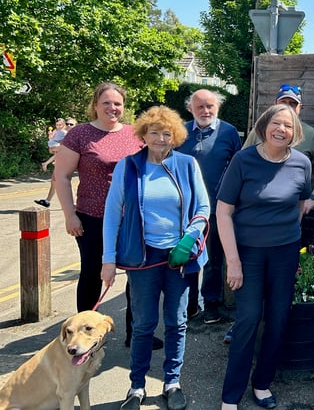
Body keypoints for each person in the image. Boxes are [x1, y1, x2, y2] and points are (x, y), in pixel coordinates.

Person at [101, 105, 210, 410]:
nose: (160, 139)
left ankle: (172, 382)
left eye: (166, 133)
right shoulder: (129, 166)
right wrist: (108, 260)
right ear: (143, 135)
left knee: (176, 322)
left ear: (175, 136)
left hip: (179, 258)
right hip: (143, 258)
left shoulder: (187, 165)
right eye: (154, 133)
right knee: (144, 324)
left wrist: (189, 238)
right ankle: (136, 387)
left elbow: (203, 208)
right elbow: (112, 215)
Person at [217, 104, 311, 410]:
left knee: (278, 319)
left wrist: (286, 233)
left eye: (288, 125)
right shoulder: (243, 161)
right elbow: (223, 211)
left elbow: (299, 203)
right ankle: (231, 394)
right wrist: (233, 261)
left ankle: (262, 384)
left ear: (295, 132)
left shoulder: (301, 163)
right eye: (276, 123)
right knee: (247, 319)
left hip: (285, 253)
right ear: (264, 126)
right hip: (248, 254)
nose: (281, 130)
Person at [54, 83, 144, 312]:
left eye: (117, 103)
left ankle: (136, 335)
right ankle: (84, 337)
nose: (112, 108)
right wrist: (70, 215)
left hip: (129, 217)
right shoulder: (80, 134)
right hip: (93, 217)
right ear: (95, 105)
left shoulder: (134, 134)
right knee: (91, 274)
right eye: (106, 102)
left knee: (136, 275)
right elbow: (61, 177)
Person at [177, 89, 242, 324]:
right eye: (200, 107)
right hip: (185, 209)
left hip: (217, 208)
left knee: (214, 258)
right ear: (190, 109)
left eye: (210, 106)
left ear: (218, 107)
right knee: (186, 256)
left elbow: (238, 168)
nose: (205, 111)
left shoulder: (229, 132)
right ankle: (190, 305)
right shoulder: (180, 132)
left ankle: (212, 305)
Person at [243, 83, 314, 214]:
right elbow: (241, 161)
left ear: (299, 108)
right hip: (254, 204)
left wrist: (313, 198)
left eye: (293, 103)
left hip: (291, 208)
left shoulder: (310, 134)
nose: (288, 106)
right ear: (275, 104)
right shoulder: (260, 129)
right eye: (283, 102)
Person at [35, 117, 77, 207]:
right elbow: (54, 150)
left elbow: (58, 149)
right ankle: (47, 201)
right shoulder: (64, 135)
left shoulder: (72, 136)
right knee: (54, 182)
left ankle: (74, 203)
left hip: (66, 163)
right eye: (68, 124)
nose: (69, 125)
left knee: (64, 182)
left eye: (71, 124)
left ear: (75, 126)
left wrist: (48, 160)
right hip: (60, 161)